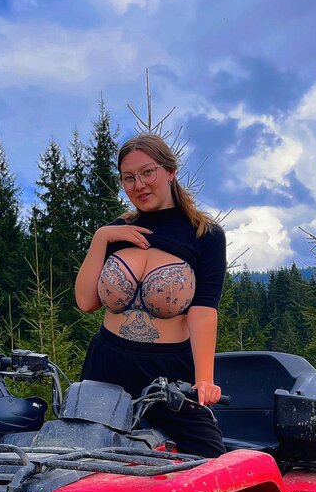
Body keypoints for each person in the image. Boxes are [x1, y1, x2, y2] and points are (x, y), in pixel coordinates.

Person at [75, 132, 227, 457]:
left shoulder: (205, 235)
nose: (139, 185)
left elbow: (203, 310)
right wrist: (101, 237)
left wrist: (204, 379)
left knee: (210, 462)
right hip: (105, 366)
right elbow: (86, 302)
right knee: (81, 464)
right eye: (128, 178)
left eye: (147, 173)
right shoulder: (116, 231)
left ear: (170, 171)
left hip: (168, 376)